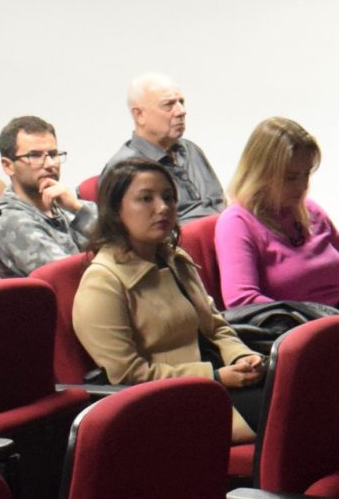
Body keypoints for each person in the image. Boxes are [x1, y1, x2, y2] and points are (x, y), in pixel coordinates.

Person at [71, 160, 265, 441]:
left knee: (308, 391)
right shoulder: (102, 283)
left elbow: (216, 327)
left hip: (220, 382)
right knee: (288, 416)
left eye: (168, 198)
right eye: (146, 199)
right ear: (115, 210)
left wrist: (241, 356)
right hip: (173, 403)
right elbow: (128, 374)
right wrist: (216, 376)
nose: (162, 208)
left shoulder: (175, 259)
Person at [217, 116, 339, 316]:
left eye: (306, 175)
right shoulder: (236, 222)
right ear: (261, 174)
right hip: (301, 332)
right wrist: (322, 319)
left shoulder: (310, 210)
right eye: (290, 177)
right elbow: (243, 301)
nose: (302, 186)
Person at [104, 73, 226, 219]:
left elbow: (220, 202)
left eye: (181, 102)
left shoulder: (191, 150)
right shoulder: (124, 167)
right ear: (139, 115)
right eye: (168, 105)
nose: (181, 111)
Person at [0, 116, 95, 278]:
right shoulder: (13, 223)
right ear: (8, 166)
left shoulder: (65, 202)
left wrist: (78, 209)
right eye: (35, 156)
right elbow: (70, 279)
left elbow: (127, 242)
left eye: (53, 154)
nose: (50, 164)